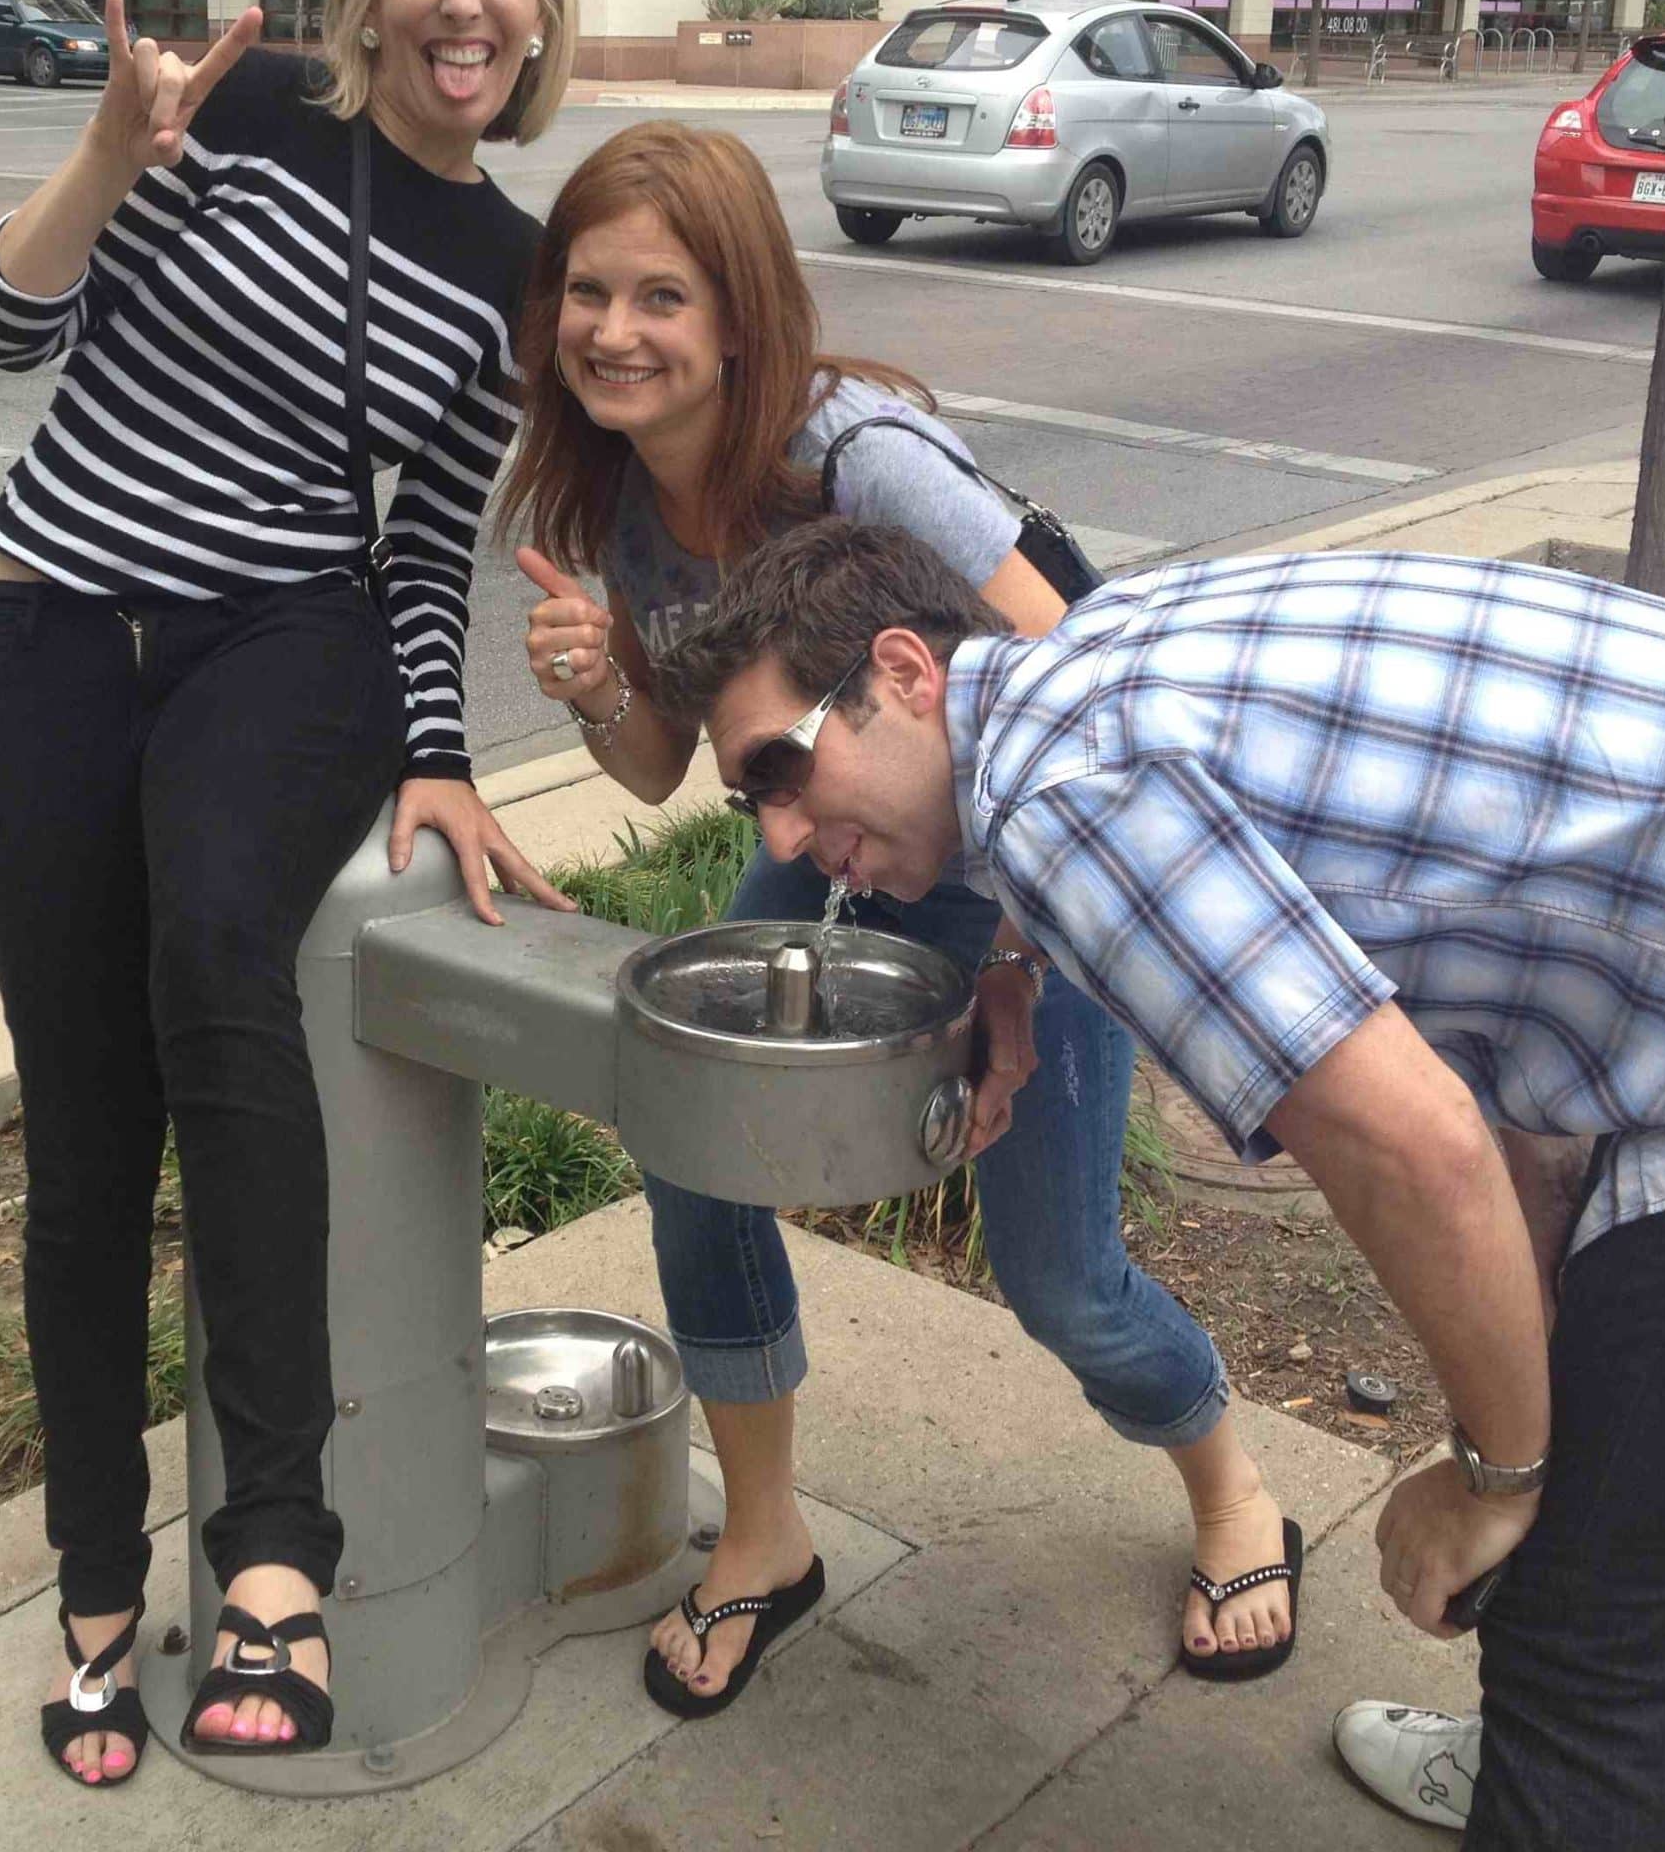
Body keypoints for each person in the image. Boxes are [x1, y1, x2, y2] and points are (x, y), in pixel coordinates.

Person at [653, 518, 1665, 1850]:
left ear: (903, 673)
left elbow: (1417, 1147)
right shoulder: (1076, 664)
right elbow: (1447, 1098)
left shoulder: (1067, 803)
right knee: (1585, 1476)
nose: (777, 837)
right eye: (748, 798)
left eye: (781, 769)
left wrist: (1495, 1473)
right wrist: (1014, 970)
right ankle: (1526, 1757)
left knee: (1598, 1637)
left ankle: (1552, 1755)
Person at [499, 123, 1298, 1713]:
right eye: (587, 292)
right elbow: (669, 771)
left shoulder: (863, 456)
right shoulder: (626, 504)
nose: (615, 331)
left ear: (739, 313)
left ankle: (1229, 1487)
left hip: (1031, 859)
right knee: (693, 1130)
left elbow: (1078, 699)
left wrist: (1007, 964)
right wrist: (600, 690)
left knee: (1059, 1278)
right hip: (838, 836)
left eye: (663, 294)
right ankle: (770, 1540)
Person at [0, 0, 578, 1788]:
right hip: (50, 631)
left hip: (282, 646)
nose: (466, 2)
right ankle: (88, 1582)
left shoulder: (510, 267)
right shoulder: (233, 115)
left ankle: (277, 1559)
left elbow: (417, 560)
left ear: (540, 9)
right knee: (84, 1127)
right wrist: (104, 158)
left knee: (223, 962)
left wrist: (446, 755)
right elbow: (4, 331)